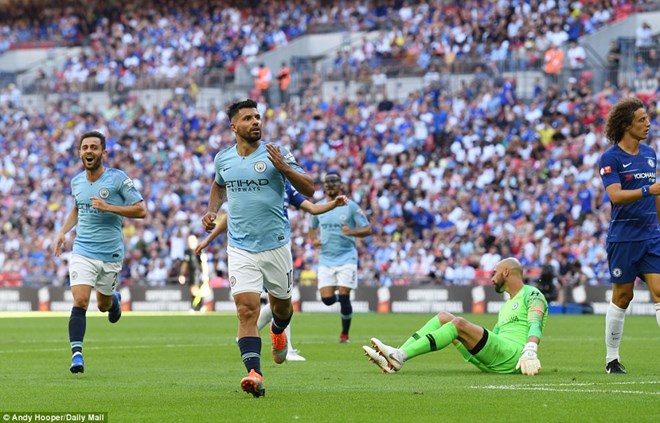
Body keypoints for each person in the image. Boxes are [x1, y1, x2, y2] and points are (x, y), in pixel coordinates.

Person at [201, 99, 314, 398]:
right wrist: (212, 210)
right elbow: (218, 185)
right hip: (240, 247)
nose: (255, 122)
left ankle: (277, 331)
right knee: (246, 310)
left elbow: (310, 188)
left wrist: (284, 168)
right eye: (248, 118)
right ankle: (255, 373)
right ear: (234, 126)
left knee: (282, 309)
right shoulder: (224, 159)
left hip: (276, 245)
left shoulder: (277, 152)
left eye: (258, 117)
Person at [196, 182, 348, 361]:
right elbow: (233, 216)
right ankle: (258, 341)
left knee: (282, 301)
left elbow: (312, 208)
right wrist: (209, 239)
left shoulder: (286, 186)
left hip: (279, 248)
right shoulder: (253, 182)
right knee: (250, 306)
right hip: (248, 249)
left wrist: (333, 204)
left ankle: (276, 336)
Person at [53, 130, 147, 374]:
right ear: (80, 152)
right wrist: (62, 232)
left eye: (94, 147)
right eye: (85, 147)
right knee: (80, 300)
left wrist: (109, 207)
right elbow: (77, 208)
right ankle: (77, 355)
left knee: (103, 305)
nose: (89, 151)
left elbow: (141, 210)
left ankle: (113, 301)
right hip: (82, 250)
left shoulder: (117, 179)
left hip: (110, 253)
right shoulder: (77, 182)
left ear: (103, 152)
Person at [363, 257, 548, 376]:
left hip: (515, 357)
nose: (492, 279)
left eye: (494, 273)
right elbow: (495, 338)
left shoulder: (532, 294)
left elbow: (536, 323)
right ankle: (393, 358)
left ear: (506, 272)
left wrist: (530, 350)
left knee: (458, 323)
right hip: (496, 357)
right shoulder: (506, 305)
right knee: (444, 317)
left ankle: (400, 356)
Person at [598, 96, 660, 374]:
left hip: (651, 235)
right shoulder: (610, 158)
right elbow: (615, 195)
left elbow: (657, 195)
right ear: (626, 125)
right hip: (624, 238)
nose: (648, 124)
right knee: (623, 297)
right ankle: (611, 359)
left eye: (647, 119)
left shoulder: (650, 154)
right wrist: (648, 190)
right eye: (641, 120)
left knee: (659, 292)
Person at [308, 170, 372, 343]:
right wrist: (314, 240)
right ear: (324, 186)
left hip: (347, 257)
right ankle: (342, 301)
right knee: (327, 300)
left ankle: (344, 334)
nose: (330, 187)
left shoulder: (351, 206)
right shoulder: (319, 207)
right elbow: (312, 227)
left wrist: (352, 232)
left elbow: (367, 229)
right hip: (326, 259)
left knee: (344, 296)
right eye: (327, 184)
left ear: (340, 186)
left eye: (334, 183)